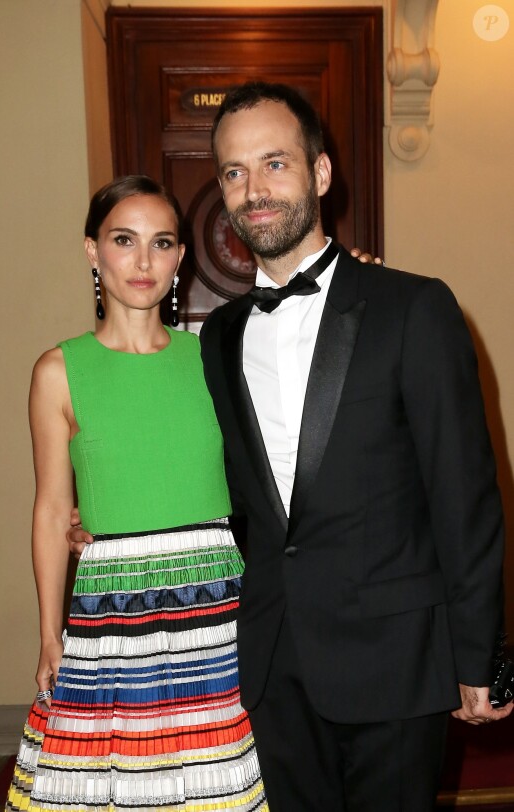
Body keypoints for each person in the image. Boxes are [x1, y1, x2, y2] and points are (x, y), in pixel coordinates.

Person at [196, 82, 511, 810]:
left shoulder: (415, 307)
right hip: (275, 659)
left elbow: (464, 493)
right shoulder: (219, 337)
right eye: (235, 172)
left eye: (275, 163)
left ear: (321, 173)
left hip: (396, 657)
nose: (254, 190)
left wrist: (480, 655)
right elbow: (241, 493)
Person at [5, 175, 267, 811]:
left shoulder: (212, 357)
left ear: (181, 256)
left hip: (218, 606)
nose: (144, 261)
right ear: (93, 250)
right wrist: (48, 634)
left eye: (161, 243)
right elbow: (48, 509)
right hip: (114, 611)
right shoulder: (58, 370)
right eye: (124, 241)